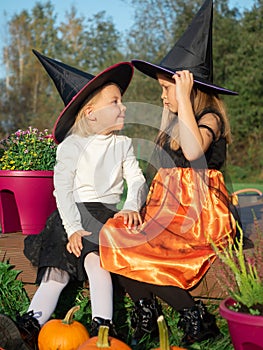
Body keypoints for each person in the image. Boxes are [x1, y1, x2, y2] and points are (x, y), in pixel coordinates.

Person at [99, 0, 238, 346]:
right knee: (117, 236)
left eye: (166, 89)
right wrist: (166, 114)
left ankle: (196, 317)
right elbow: (157, 162)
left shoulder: (209, 120)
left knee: (150, 251)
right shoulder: (176, 120)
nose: (162, 96)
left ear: (188, 88)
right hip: (167, 210)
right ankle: (146, 312)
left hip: (198, 216)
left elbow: (193, 151)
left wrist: (185, 97)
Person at [0, 51, 146, 350]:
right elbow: (62, 189)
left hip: (104, 215)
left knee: (97, 264)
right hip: (69, 215)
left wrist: (131, 205)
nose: (124, 107)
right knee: (56, 271)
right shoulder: (71, 146)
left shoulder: (124, 144)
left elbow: (137, 179)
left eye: (121, 101)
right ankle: (32, 323)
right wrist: (72, 227)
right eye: (115, 102)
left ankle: (102, 327)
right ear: (91, 112)